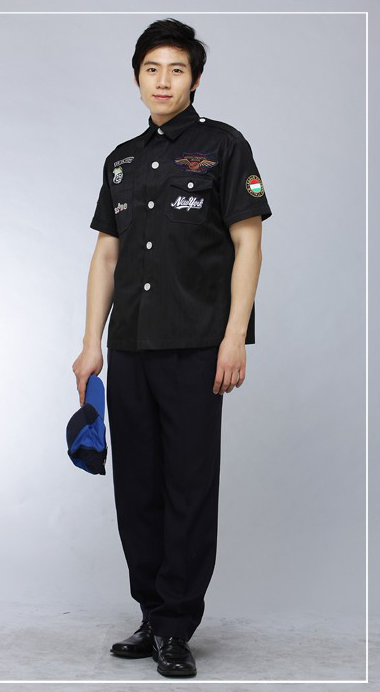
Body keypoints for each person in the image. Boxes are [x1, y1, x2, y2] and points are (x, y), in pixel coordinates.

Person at [72, 17, 272, 679]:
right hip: (130, 345)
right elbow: (106, 256)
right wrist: (90, 345)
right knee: (137, 489)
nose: (163, 81)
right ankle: (151, 613)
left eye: (176, 69)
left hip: (196, 346)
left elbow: (247, 243)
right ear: (137, 78)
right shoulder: (121, 160)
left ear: (195, 79)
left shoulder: (224, 147)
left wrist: (234, 336)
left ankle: (176, 627)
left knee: (188, 486)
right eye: (152, 69)